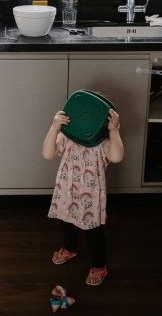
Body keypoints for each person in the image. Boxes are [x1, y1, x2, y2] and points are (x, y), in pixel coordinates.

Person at [42, 108, 124, 285]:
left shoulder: (102, 144)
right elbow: (47, 154)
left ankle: (99, 266)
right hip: (67, 194)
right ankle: (70, 248)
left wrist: (114, 130)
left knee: (93, 234)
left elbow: (117, 157)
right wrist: (54, 127)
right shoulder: (67, 139)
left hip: (90, 201)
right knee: (68, 224)